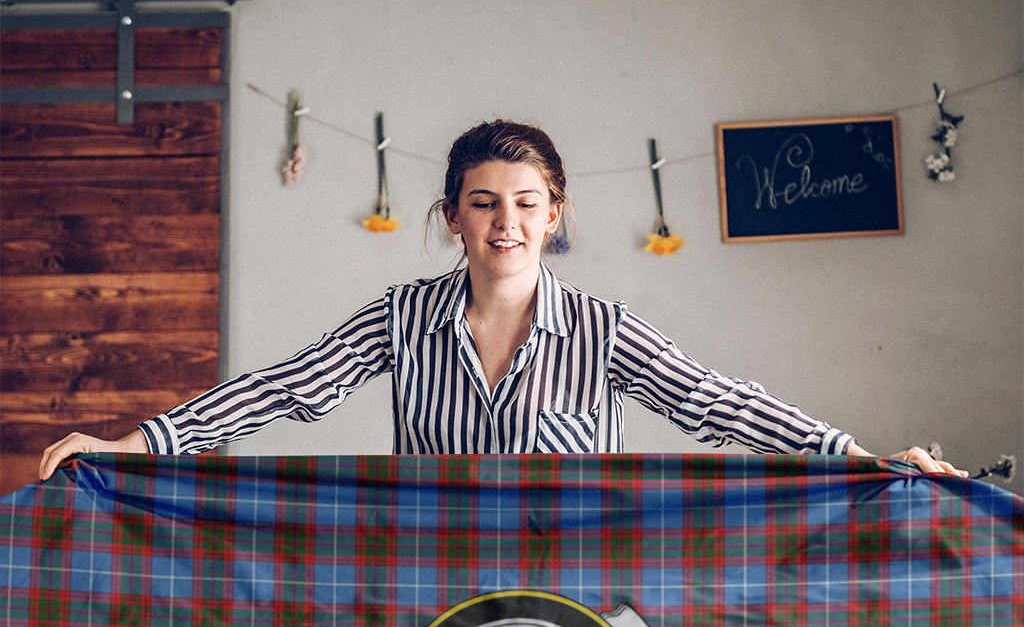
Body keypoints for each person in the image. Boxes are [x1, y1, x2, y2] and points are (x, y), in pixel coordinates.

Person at [38, 120, 968, 481]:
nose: (506, 223)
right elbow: (285, 390)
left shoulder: (604, 331)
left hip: (575, 599)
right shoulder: (401, 316)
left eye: (526, 205)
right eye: (484, 203)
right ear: (453, 217)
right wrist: (138, 444)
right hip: (427, 590)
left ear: (555, 215)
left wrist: (855, 456)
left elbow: (717, 401)